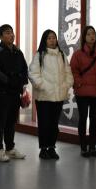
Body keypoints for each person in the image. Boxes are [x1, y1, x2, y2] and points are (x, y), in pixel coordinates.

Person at [28, 28, 72, 160]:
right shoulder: (40, 55)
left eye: (54, 37)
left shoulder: (62, 55)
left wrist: (66, 85)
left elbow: (68, 73)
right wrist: (43, 86)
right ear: (45, 40)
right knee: (44, 124)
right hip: (44, 96)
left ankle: (52, 147)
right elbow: (33, 73)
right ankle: (43, 149)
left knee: (54, 124)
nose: (52, 40)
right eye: (49, 38)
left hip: (58, 96)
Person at [0, 23, 28, 162]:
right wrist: (7, 80)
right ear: (0, 36)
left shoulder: (17, 51)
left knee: (11, 121)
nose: (11, 35)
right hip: (2, 92)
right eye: (7, 32)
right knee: (0, 122)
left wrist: (22, 81)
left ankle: (10, 148)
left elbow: (24, 68)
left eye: (12, 32)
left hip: (15, 92)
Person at [71, 25, 96, 157]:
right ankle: (83, 147)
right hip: (83, 91)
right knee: (83, 118)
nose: (92, 36)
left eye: (93, 34)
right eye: (89, 34)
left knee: (93, 119)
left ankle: (92, 146)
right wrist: (78, 83)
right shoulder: (78, 54)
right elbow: (73, 71)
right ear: (84, 37)